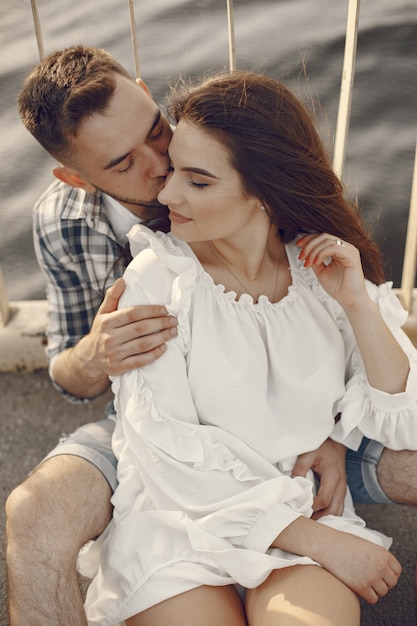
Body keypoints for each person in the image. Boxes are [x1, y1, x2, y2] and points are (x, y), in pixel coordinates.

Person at [3, 45, 416, 625]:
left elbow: (365, 358)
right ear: (78, 176)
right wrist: (96, 355)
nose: (162, 170)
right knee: (33, 514)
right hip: (156, 440)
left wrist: (337, 429)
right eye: (124, 163)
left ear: (148, 94)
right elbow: (80, 382)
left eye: (156, 131)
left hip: (291, 441)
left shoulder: (235, 157)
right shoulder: (91, 238)